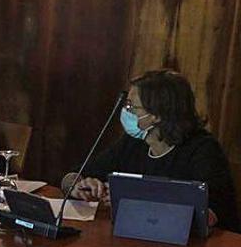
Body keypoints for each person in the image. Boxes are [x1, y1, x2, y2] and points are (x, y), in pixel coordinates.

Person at [64, 69, 238, 232]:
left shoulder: (202, 149)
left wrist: (134, 199)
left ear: (157, 115)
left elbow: (209, 214)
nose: (126, 111)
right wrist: (76, 186)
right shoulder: (133, 142)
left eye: (132, 107)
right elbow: (73, 174)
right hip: (142, 237)